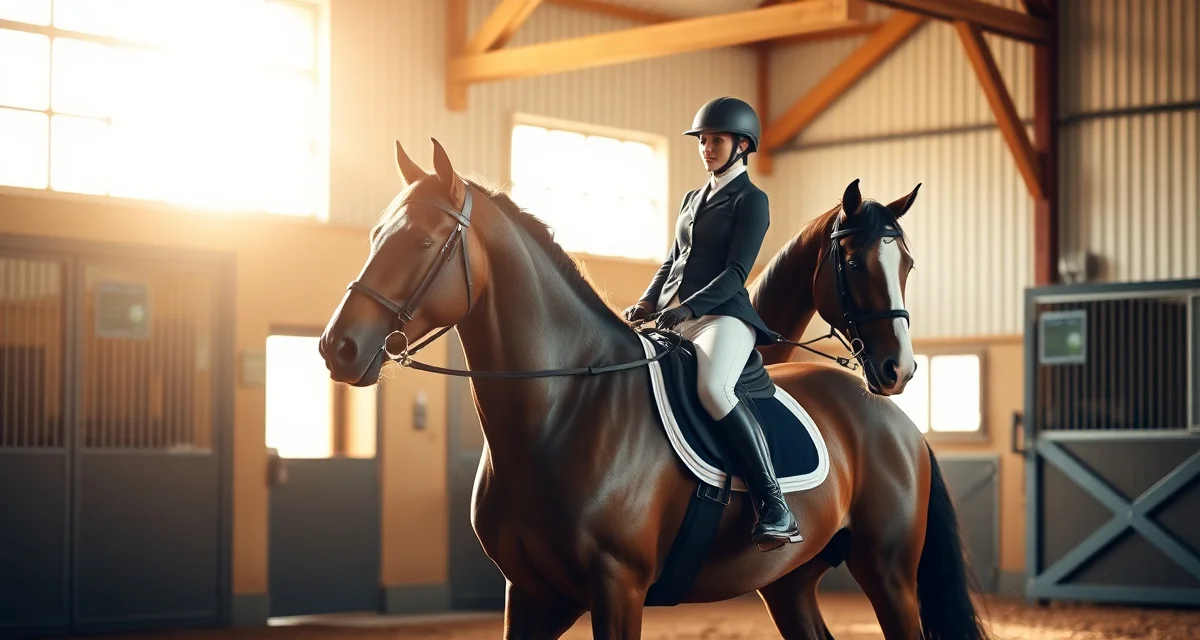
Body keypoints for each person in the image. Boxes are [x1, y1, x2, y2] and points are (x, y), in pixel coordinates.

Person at [624, 96, 800, 549]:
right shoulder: (691, 197)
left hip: (722, 318)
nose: (706, 148)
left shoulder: (752, 200)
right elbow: (672, 260)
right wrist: (645, 302)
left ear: (742, 145)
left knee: (713, 388)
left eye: (716, 140)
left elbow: (736, 274)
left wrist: (689, 309)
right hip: (672, 317)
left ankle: (774, 504)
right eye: (702, 141)